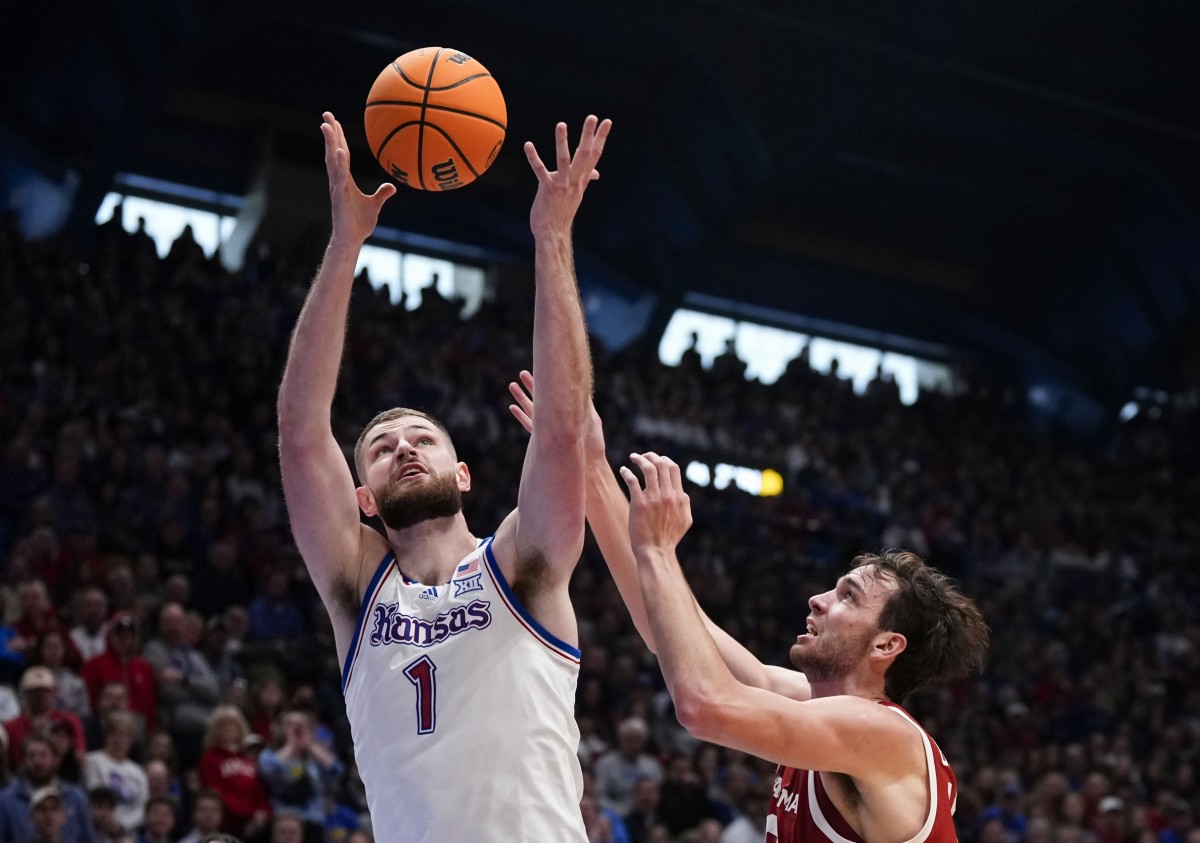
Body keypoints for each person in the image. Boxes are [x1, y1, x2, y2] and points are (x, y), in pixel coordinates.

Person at [275, 108, 610, 843]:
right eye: (381, 446)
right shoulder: (358, 584)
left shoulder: (521, 563)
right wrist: (343, 245)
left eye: (422, 437)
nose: (403, 448)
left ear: (462, 474)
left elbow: (560, 429)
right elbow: (301, 436)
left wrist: (552, 239)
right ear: (363, 497)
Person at [616, 452, 989, 843]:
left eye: (848, 597)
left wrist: (659, 551)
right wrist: (588, 462)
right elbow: (664, 625)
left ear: (886, 644)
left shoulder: (882, 734)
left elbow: (704, 705)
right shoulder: (814, 706)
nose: (817, 599)